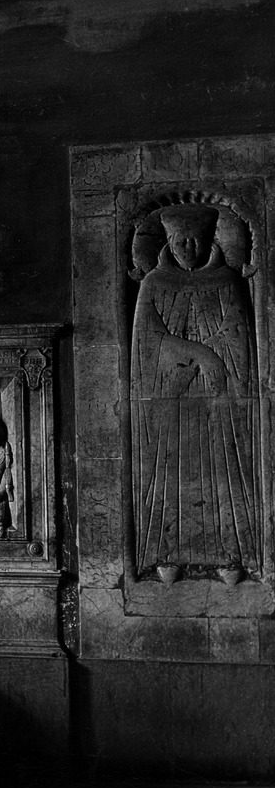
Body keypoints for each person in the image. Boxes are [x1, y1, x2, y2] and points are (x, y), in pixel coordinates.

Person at [130, 204, 260, 577]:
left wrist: (214, 361)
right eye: (178, 241)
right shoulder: (154, 284)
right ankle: (165, 555)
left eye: (193, 241)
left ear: (208, 242)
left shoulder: (226, 282)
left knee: (225, 470)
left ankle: (230, 556)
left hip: (217, 405)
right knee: (168, 473)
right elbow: (148, 342)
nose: (187, 247)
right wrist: (200, 354)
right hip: (171, 400)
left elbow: (237, 335)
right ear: (167, 244)